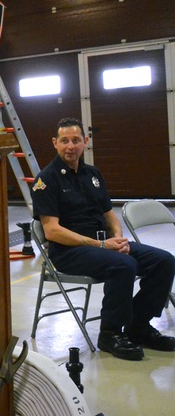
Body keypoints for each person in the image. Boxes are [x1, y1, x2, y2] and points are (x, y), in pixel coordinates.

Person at [31, 118, 175, 360]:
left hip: (104, 246)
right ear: (55, 143)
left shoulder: (93, 174)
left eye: (76, 140)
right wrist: (101, 245)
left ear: (85, 142)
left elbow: (110, 216)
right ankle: (110, 333)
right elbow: (52, 231)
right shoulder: (47, 180)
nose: (70, 146)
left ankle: (138, 325)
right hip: (69, 251)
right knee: (123, 264)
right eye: (64, 141)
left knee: (165, 261)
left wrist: (118, 239)